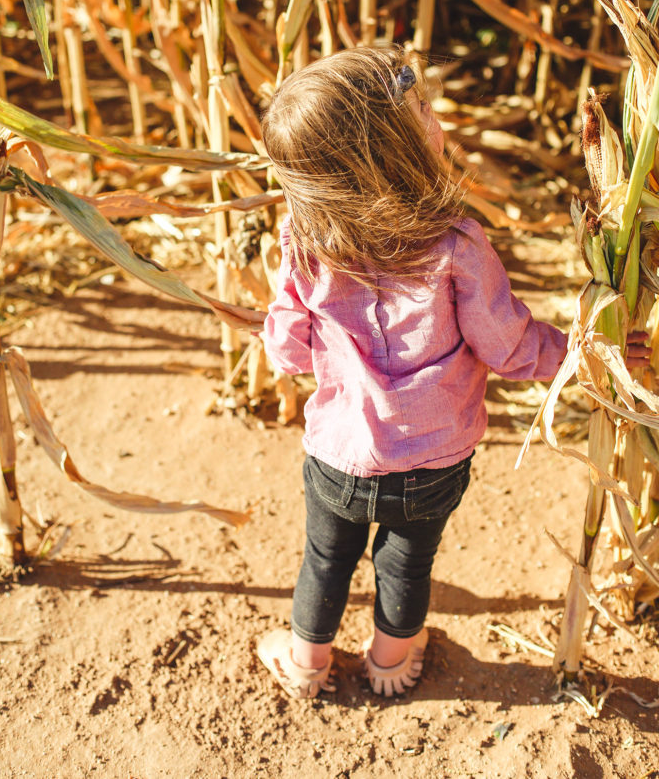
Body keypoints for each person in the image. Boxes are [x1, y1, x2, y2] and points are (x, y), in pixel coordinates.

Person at [255, 46, 646, 700]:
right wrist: (587, 349)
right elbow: (511, 348)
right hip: (435, 461)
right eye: (424, 111)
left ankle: (306, 663)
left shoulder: (304, 240)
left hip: (338, 457)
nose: (437, 120)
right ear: (394, 150)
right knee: (407, 563)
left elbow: (288, 349)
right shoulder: (456, 244)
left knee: (325, 559)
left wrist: (303, 359)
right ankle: (390, 662)